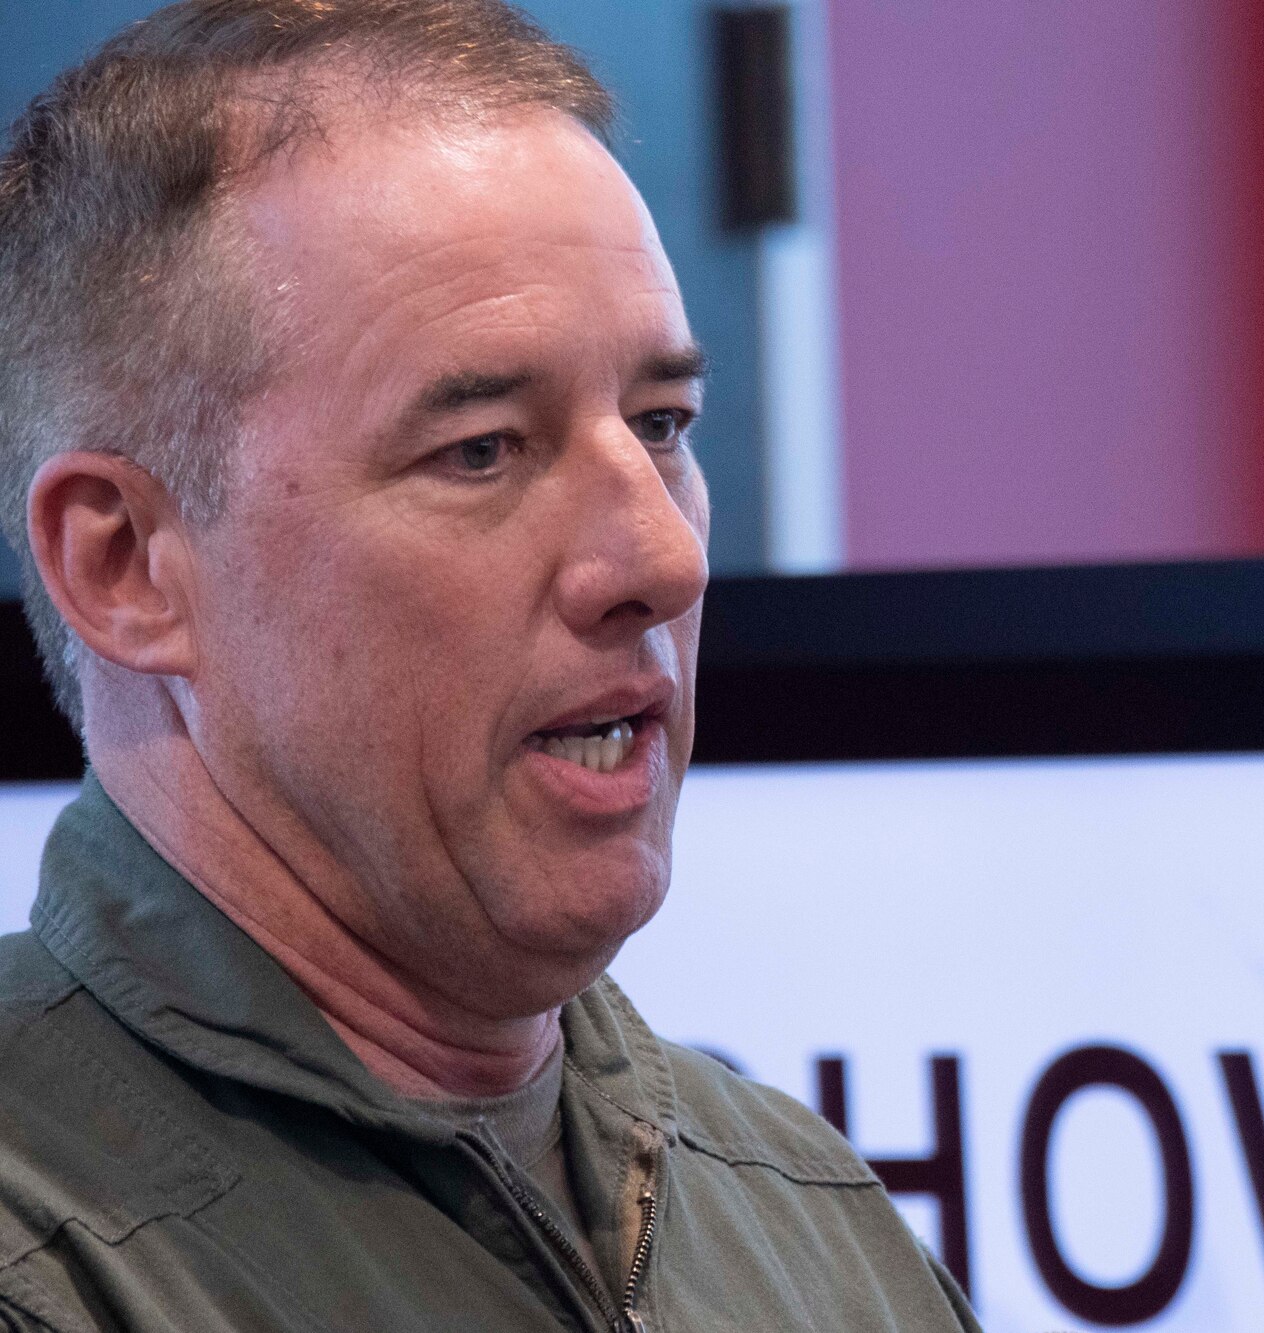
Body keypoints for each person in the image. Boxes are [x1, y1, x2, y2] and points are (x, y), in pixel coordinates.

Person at [0, 2, 979, 1329]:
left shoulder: (812, 1226)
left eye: (663, 423)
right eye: (480, 449)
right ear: (124, 565)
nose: (662, 559)